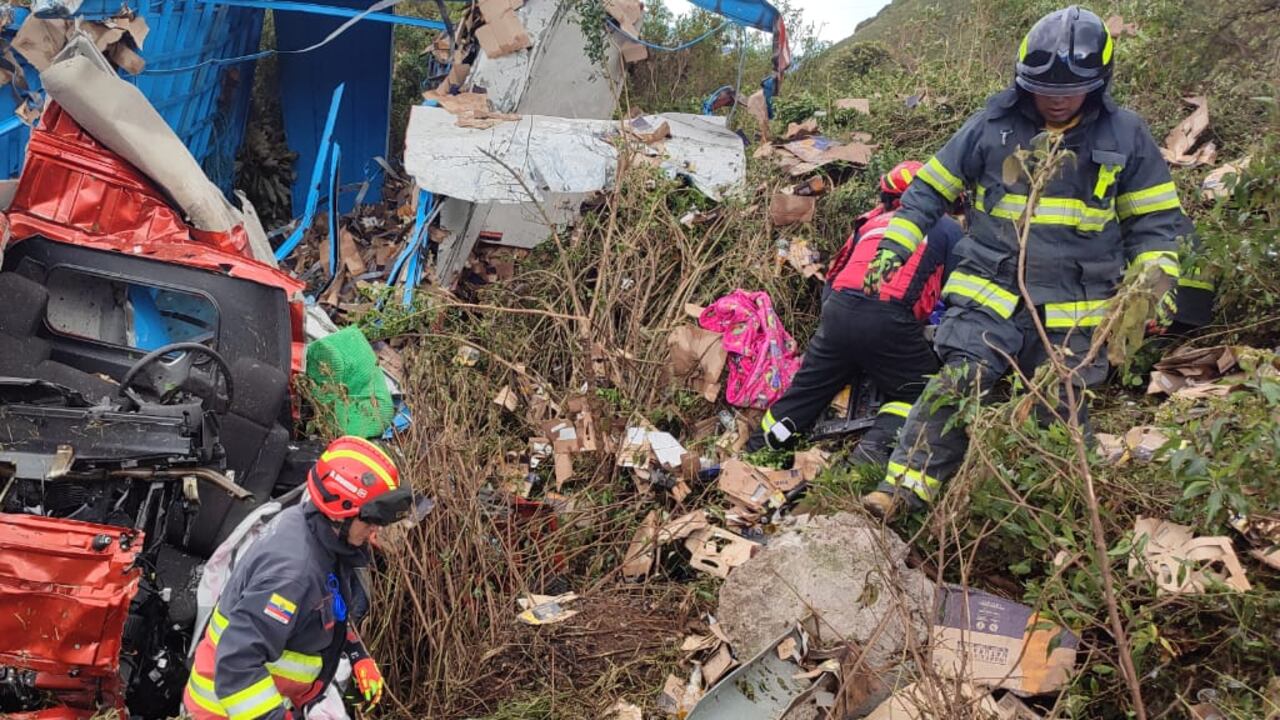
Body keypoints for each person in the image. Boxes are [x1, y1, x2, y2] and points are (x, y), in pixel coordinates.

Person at [860, 6, 1188, 519]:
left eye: (1070, 90)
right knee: (955, 386)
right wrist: (894, 246)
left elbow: (1157, 222)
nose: (1056, 100)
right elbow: (928, 191)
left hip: (1074, 309)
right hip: (987, 293)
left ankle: (1039, 513)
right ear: (1022, 81)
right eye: (1044, 88)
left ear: (1099, 83)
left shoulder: (1126, 136)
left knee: (1060, 408)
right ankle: (902, 491)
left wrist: (1156, 281)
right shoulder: (992, 128)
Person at [747, 160, 963, 467]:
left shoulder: (869, 224)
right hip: (888, 321)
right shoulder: (945, 228)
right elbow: (957, 293)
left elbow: (834, 278)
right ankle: (865, 459)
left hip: (837, 314)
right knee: (919, 392)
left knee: (805, 395)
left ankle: (753, 455)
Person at [183, 436, 413, 720]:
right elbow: (238, 662)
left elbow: (329, 605)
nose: (374, 531)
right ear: (340, 512)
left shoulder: (317, 533)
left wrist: (356, 653)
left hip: (275, 698)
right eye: (369, 521)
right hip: (227, 711)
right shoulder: (292, 575)